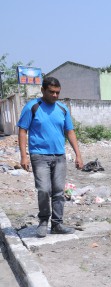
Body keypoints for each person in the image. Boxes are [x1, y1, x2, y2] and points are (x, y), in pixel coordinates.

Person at [17, 76, 84, 238]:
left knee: (59, 192)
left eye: (57, 92)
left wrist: (78, 155)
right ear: (43, 90)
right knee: (44, 190)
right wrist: (24, 156)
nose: (55, 95)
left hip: (59, 156)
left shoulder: (62, 109)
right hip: (39, 156)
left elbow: (70, 132)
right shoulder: (32, 107)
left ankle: (57, 224)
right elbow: (22, 130)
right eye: (51, 92)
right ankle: (43, 221)